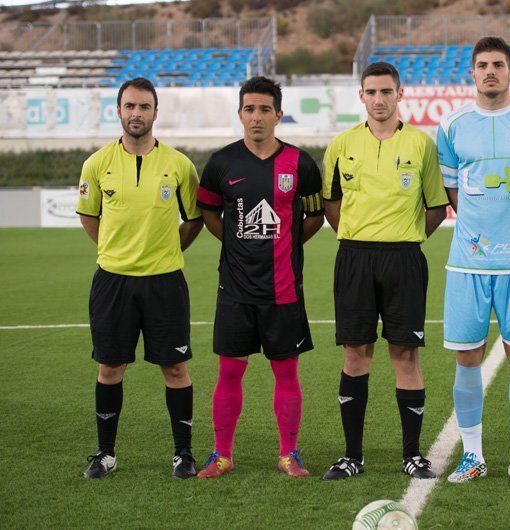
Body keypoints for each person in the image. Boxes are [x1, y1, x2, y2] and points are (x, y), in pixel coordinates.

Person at [436, 37, 510, 484]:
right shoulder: (450, 126)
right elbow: (453, 193)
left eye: (498, 65)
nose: (490, 71)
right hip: (467, 263)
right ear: (472, 72)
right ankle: (473, 456)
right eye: (483, 65)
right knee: (467, 356)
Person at [320, 62, 449, 481]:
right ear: (361, 95)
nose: (379, 99)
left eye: (386, 92)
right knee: (356, 354)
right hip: (354, 258)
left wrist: (403, 237)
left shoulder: (421, 145)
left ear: (399, 94)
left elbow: (434, 208)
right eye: (371, 92)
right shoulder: (341, 144)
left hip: (404, 259)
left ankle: (412, 454)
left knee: (405, 354)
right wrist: (360, 237)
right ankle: (352, 455)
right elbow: (331, 205)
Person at [195, 77, 324, 479]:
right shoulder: (220, 163)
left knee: (286, 371)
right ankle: (221, 454)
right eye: (249, 109)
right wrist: (235, 243)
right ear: (240, 114)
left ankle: (289, 453)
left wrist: (287, 244)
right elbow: (209, 214)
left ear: (278, 115)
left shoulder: (300, 164)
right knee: (229, 371)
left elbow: (316, 216)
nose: (256, 117)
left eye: (264, 109)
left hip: (283, 288)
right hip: (235, 290)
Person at [77, 77, 204, 479]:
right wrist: (118, 252)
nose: (136, 114)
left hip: (165, 282)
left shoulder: (179, 165)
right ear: (118, 111)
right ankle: (105, 453)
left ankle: (183, 454)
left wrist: (164, 251)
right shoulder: (96, 164)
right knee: (110, 369)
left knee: (176, 370)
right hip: (113, 282)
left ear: (155, 112)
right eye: (129, 106)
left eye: (144, 107)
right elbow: (88, 216)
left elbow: (195, 219)